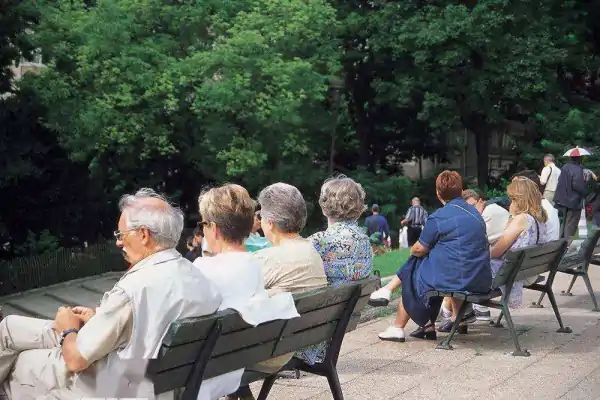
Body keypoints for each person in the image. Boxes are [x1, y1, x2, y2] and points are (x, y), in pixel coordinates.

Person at [0, 188, 223, 399]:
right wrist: (99, 317)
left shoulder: (134, 288)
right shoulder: (200, 281)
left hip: (114, 388)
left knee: (20, 362)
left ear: (143, 234)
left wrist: (68, 328)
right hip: (161, 386)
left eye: (121, 234)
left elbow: (76, 360)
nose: (118, 241)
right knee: (8, 327)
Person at [193, 184, 299, 400]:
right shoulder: (256, 264)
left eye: (203, 224)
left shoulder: (201, 269)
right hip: (249, 352)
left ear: (213, 228)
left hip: (214, 365)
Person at [229, 183, 327, 400]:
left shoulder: (269, 259)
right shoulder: (311, 251)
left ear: (270, 223)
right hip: (296, 340)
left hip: (271, 353)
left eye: (261, 216)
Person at [377, 171, 491, 342]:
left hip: (457, 280)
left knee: (414, 272)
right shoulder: (475, 213)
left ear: (438, 194)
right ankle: (443, 322)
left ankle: (398, 325)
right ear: (461, 191)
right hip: (480, 277)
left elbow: (419, 249)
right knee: (429, 265)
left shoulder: (438, 217)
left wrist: (415, 252)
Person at [296, 175, 373, 365]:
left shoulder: (319, 242)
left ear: (324, 207)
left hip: (308, 335)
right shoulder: (364, 241)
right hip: (334, 326)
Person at [490, 177, 550, 308]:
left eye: (512, 199)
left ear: (520, 200)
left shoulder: (522, 219)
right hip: (527, 270)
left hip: (510, 273)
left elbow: (495, 252)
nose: (510, 202)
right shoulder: (540, 218)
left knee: (464, 266)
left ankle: (460, 312)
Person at [460, 188, 510, 322]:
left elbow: (474, 241)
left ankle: (465, 311)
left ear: (480, 200)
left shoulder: (489, 213)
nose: (472, 211)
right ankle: (473, 309)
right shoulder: (493, 209)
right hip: (509, 269)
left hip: (500, 272)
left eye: (473, 206)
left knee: (459, 268)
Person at [512, 170, 560, 241]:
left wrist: (512, 215)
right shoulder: (544, 204)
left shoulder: (533, 209)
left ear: (526, 187)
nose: (512, 190)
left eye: (515, 186)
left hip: (540, 249)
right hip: (547, 249)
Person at [554, 156, 586, 238]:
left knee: (562, 223)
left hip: (561, 199)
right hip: (573, 201)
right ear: (580, 159)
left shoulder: (565, 167)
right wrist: (585, 185)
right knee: (571, 224)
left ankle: (559, 243)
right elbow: (577, 185)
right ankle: (567, 244)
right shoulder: (578, 169)